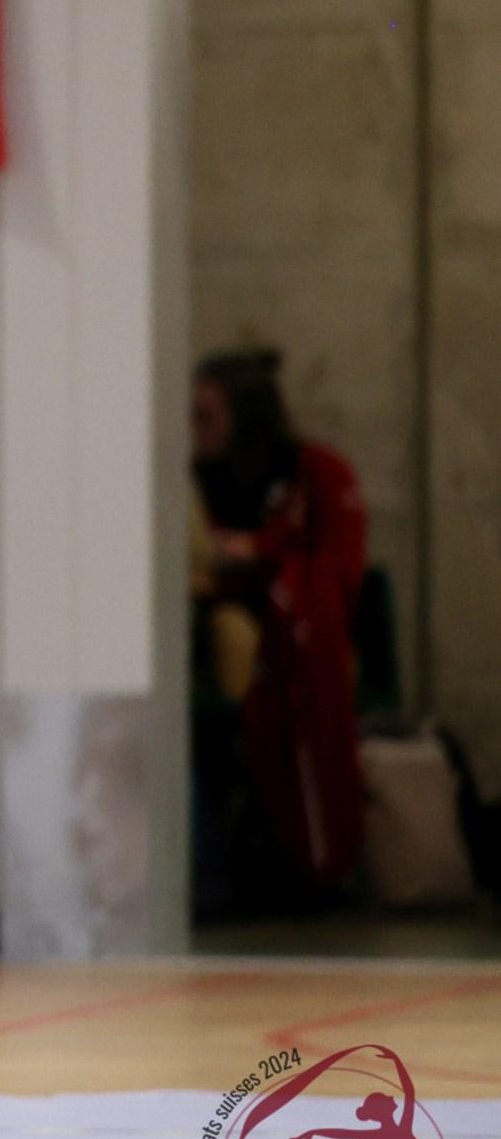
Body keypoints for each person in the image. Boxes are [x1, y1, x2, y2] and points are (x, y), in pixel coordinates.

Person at [191, 347, 367, 902]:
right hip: (219, 631)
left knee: (297, 641)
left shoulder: (317, 473)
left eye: (206, 417)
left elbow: (340, 568)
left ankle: (308, 854)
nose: (194, 431)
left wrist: (261, 552)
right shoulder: (192, 482)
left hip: (299, 629)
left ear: (245, 419)